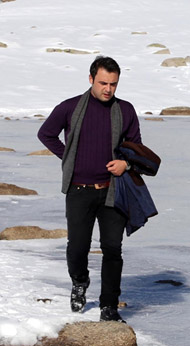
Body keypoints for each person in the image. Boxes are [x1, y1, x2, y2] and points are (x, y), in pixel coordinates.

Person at [37, 56, 142, 323]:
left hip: (112, 190)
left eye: (113, 84)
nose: (108, 89)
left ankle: (109, 304)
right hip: (79, 190)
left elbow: (137, 148)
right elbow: (46, 134)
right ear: (91, 79)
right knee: (78, 247)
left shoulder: (125, 110)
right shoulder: (70, 107)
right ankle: (80, 282)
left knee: (112, 248)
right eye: (103, 83)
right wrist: (68, 156)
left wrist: (126, 163)